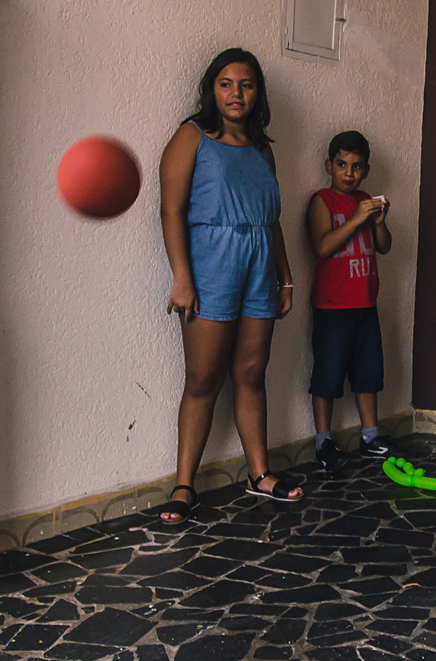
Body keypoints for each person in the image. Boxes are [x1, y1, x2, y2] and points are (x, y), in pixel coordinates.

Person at [157, 47, 303, 523]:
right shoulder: (192, 136)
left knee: (251, 373)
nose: (235, 93)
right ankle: (184, 485)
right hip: (211, 265)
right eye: (225, 83)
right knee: (202, 379)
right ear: (211, 90)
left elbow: (272, 219)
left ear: (257, 92)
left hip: (260, 266)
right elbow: (171, 210)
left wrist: (284, 276)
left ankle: (259, 473)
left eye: (245, 84)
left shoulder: (264, 149)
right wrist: (182, 277)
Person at [305, 131, 395, 473]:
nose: (348, 172)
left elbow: (383, 246)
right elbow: (324, 246)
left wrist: (378, 222)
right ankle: (323, 439)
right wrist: (358, 217)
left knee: (367, 373)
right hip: (332, 307)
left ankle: (370, 435)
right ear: (329, 165)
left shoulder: (366, 201)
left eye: (357, 167)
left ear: (366, 170)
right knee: (327, 375)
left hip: (365, 303)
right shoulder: (322, 200)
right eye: (341, 164)